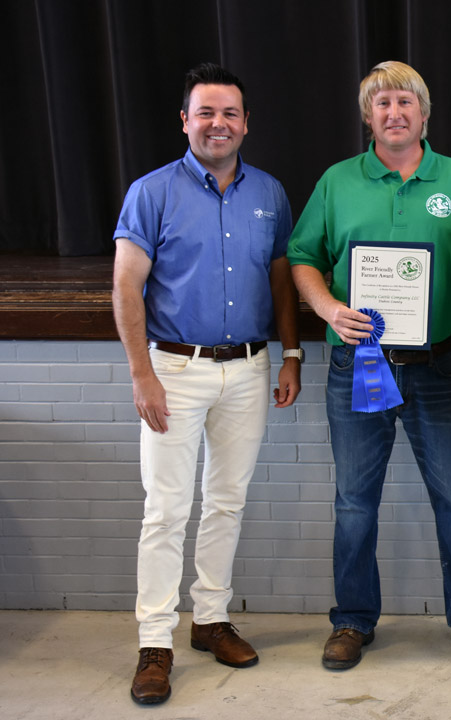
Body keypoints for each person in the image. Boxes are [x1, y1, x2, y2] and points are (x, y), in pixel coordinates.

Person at [288, 61, 451, 670]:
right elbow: (302, 255)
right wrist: (328, 308)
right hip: (358, 365)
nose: (394, 112)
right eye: (381, 103)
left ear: (424, 114)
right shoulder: (337, 182)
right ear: (367, 117)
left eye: (405, 101)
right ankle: (352, 620)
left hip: (440, 367)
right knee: (354, 502)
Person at [112, 62, 302, 705]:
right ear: (185, 120)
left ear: (246, 123)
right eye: (205, 112)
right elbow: (125, 286)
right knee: (166, 510)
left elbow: (280, 281)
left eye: (229, 113)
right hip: (174, 370)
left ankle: (210, 621)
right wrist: (142, 374)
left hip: (248, 369)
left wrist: (291, 355)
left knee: (227, 501)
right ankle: (155, 643)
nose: (217, 124)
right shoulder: (151, 192)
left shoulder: (269, 193)